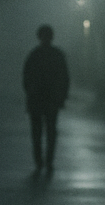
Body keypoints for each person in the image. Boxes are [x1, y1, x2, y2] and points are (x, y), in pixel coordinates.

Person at [22, 24, 70, 171]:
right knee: (50, 131)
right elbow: (65, 78)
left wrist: (31, 93)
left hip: (38, 99)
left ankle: (40, 161)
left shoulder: (34, 55)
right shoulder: (57, 55)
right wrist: (61, 97)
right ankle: (47, 161)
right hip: (51, 100)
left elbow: (26, 78)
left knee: (38, 133)